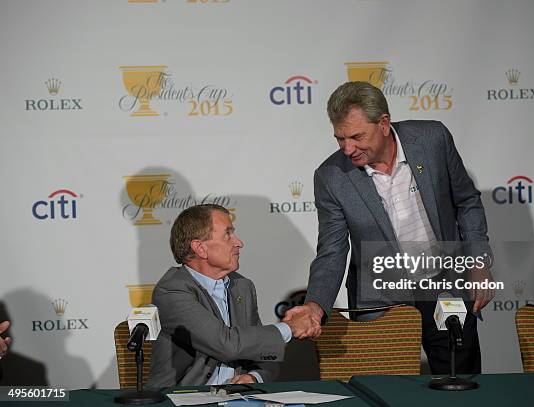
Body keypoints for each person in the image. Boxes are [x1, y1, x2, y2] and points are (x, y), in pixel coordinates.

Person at [284, 81, 494, 374]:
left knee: (459, 381)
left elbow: (467, 201)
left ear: (384, 123)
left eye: (357, 136)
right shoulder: (331, 177)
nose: (348, 148)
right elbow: (331, 250)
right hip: (380, 299)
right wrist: (316, 305)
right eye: (340, 138)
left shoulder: (433, 139)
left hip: (444, 286)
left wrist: (478, 261)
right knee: (385, 390)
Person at [147, 204, 316, 387]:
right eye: (228, 234)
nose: (239, 242)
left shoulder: (241, 286)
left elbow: (263, 350)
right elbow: (226, 344)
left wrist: (254, 377)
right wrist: (289, 328)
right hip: (183, 398)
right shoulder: (172, 291)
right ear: (200, 248)